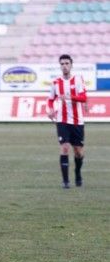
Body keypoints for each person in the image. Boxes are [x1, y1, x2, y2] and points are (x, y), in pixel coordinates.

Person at [46, 54, 88, 189]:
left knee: (78, 152)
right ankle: (65, 181)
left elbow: (83, 98)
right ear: (60, 66)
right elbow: (50, 99)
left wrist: (70, 97)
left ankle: (77, 173)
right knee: (64, 148)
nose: (64, 66)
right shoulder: (55, 82)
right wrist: (50, 110)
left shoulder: (78, 79)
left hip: (77, 121)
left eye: (67, 63)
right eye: (62, 64)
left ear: (71, 65)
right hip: (62, 120)